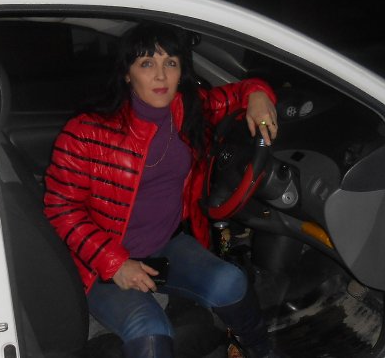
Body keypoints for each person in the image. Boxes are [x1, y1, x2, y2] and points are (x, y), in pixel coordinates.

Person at [43, 22, 280, 358]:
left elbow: (238, 93)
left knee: (231, 281)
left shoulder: (189, 110)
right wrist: (114, 262)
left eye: (170, 63)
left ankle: (262, 351)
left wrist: (258, 95)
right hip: (99, 264)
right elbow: (60, 208)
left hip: (166, 245)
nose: (160, 75)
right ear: (127, 74)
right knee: (151, 331)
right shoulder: (86, 132)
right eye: (146, 64)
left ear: (181, 71)